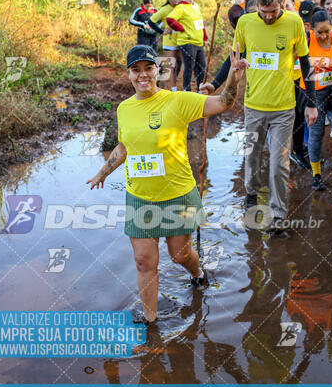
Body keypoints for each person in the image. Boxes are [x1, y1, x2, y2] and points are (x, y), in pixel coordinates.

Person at [86, 44, 245, 322]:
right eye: (136, 70)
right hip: (140, 196)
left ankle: (197, 273)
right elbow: (125, 146)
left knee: (179, 256)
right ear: (129, 74)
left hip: (177, 195)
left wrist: (232, 76)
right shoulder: (125, 109)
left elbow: (224, 103)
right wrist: (103, 172)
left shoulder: (178, 100)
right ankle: (151, 320)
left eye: (148, 68)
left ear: (158, 70)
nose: (142, 75)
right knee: (143, 262)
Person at [232, 0, 317, 228]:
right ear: (256, 5)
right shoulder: (245, 23)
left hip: (283, 108)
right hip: (253, 107)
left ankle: (279, 215)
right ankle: (251, 195)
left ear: (282, 2)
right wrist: (215, 84)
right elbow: (234, 60)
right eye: (263, 11)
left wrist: (311, 102)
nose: (268, 17)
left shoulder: (294, 22)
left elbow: (305, 63)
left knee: (279, 163)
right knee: (251, 157)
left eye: (273, 11)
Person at [299, 10, 332, 190]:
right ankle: (317, 175)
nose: (323, 35)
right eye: (319, 32)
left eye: (327, 31)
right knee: (316, 133)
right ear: (311, 29)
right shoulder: (306, 40)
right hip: (314, 94)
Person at [165, 0, 208, 92]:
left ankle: (200, 89)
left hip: (198, 42)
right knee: (189, 67)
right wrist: (181, 28)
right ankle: (187, 90)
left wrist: (205, 38)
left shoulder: (196, 6)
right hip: (187, 42)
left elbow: (200, 23)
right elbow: (170, 19)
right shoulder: (181, 7)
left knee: (202, 67)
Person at [148, 0, 181, 91]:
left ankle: (187, 90)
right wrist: (162, 31)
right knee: (172, 67)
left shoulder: (181, 7)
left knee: (185, 65)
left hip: (181, 41)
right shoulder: (164, 10)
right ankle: (174, 90)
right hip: (169, 42)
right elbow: (151, 22)